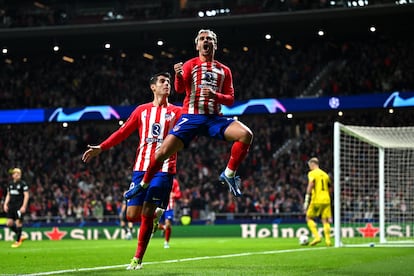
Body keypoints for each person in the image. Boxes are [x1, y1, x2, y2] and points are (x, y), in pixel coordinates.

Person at [124, 29, 253, 200]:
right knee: (161, 153)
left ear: (215, 44)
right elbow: (178, 89)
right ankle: (143, 184)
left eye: (209, 38)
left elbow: (230, 100)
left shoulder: (224, 71)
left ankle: (229, 173)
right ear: (197, 45)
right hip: (191, 118)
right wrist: (178, 75)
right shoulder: (190, 65)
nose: (205, 41)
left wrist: (216, 96)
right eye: (202, 39)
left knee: (246, 134)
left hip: (214, 118)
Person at [82, 72, 182, 270]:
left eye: (169, 82)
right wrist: (101, 148)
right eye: (162, 81)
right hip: (140, 168)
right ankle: (156, 218)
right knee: (131, 215)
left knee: (145, 213)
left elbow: (194, 124)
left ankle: (137, 259)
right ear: (153, 87)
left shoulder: (178, 112)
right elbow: (122, 132)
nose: (166, 84)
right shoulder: (142, 111)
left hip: (164, 168)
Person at [303, 157, 332, 246]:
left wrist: (307, 199)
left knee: (308, 217)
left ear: (313, 164)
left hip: (316, 199)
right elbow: (330, 186)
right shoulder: (325, 174)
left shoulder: (312, 173)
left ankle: (317, 237)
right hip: (326, 199)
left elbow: (311, 184)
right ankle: (328, 241)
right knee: (325, 220)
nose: (309, 168)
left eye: (309, 166)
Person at [3, 168, 29, 248]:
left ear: (20, 175)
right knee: (9, 223)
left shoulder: (23, 184)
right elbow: (8, 195)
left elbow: (26, 195)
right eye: (15, 174)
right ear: (12, 175)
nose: (16, 175)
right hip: (11, 207)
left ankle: (17, 241)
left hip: (19, 207)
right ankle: (20, 236)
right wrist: (5, 204)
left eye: (18, 174)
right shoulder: (10, 184)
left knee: (18, 223)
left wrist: (24, 206)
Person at [154, 177, 182, 248]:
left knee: (168, 224)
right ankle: (164, 228)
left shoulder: (174, 181)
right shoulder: (158, 179)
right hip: (158, 206)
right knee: (155, 225)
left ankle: (166, 242)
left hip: (169, 207)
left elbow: (178, 194)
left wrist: (174, 195)